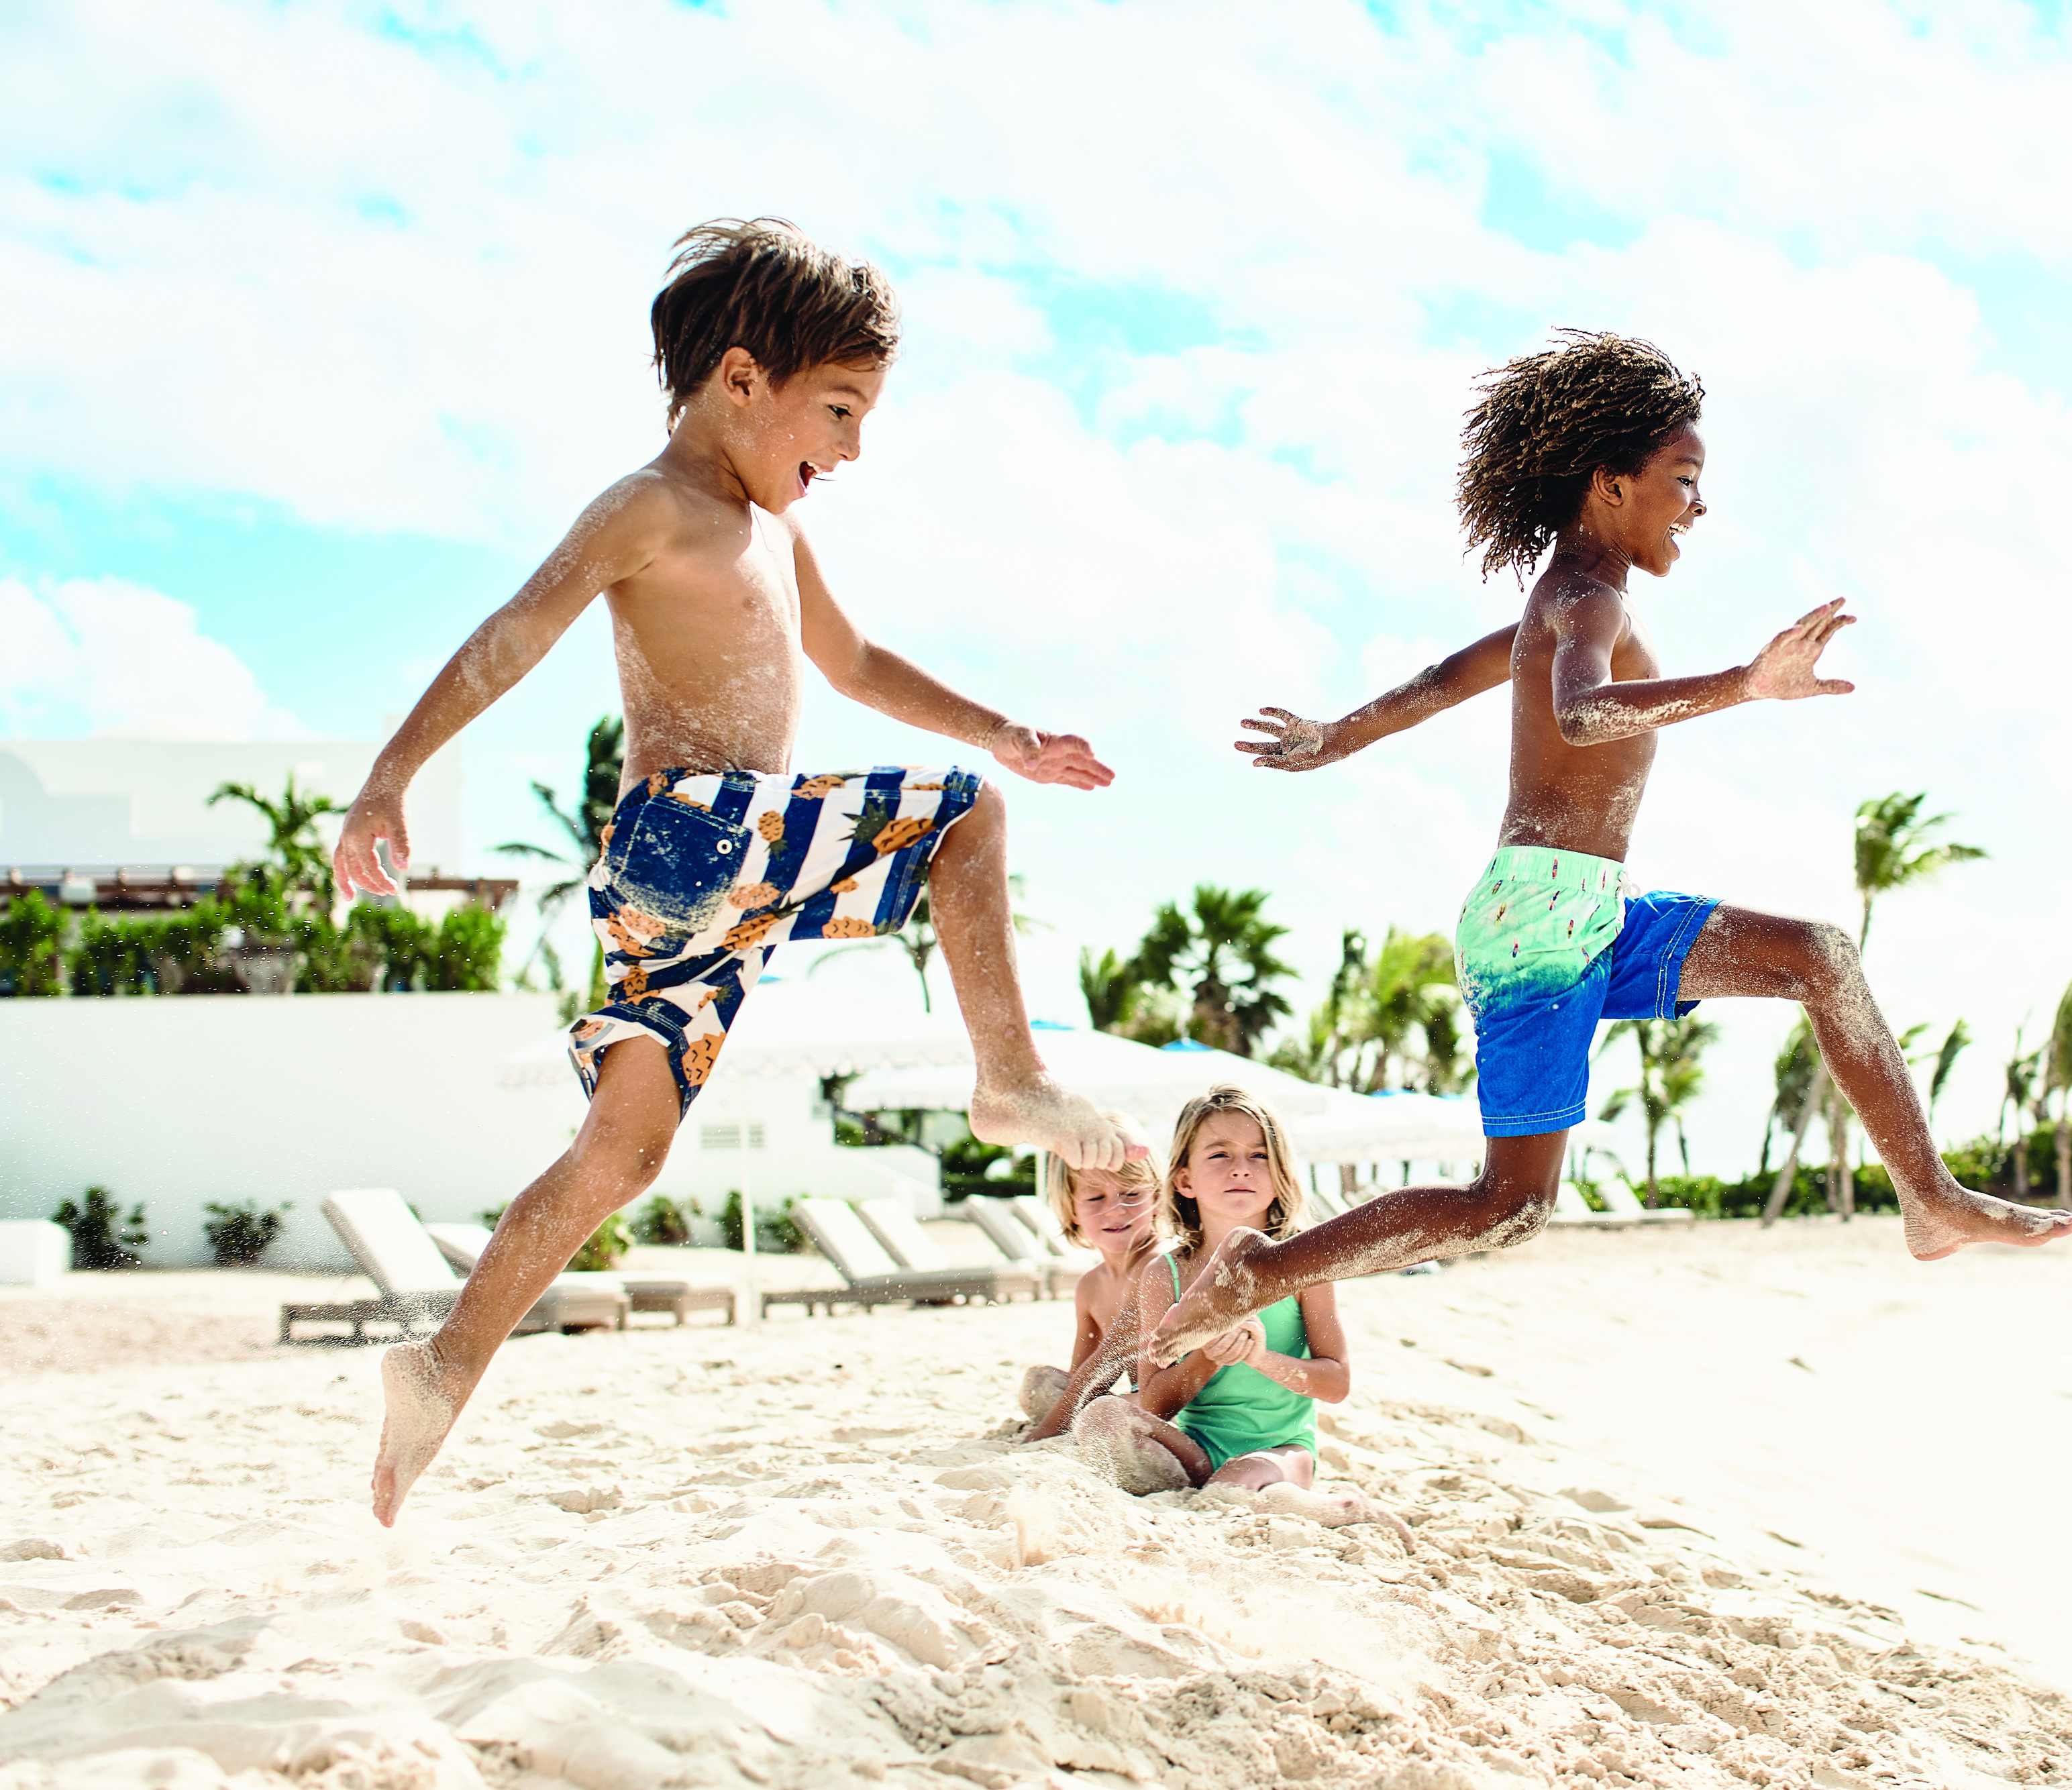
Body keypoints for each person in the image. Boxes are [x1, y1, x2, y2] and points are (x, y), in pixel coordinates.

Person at [332, 217, 1134, 1526]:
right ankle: (1008, 1078)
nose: (855, 448)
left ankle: (442, 1363)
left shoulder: (771, 529)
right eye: (839, 408)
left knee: (619, 1155)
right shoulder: (654, 506)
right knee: (959, 821)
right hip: (692, 832)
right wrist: (391, 773)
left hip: (701, 881)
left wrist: (1005, 730)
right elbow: (513, 630)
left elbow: (858, 665)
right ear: (743, 379)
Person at [1150, 330, 2072, 1365]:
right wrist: (1744, 684)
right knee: (1508, 1208)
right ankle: (1260, 1271)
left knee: (1822, 957)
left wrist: (1337, 736)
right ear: (1609, 483)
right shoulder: (1585, 600)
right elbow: (1585, 715)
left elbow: (1443, 681)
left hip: (1585, 910)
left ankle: (1930, 1197)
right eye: (1683, 480)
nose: (1699, 506)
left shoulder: (1563, 599)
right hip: (1541, 923)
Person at [1070, 1088, 1404, 1538]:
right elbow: (1154, 1402)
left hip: (1280, 1450)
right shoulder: (1163, 1274)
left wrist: (1259, 1357)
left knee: (1233, 1486)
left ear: (1280, 1175)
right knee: (1102, 1417)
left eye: (1259, 1155)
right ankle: (1224, 1494)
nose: (1241, 1167)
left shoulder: (1304, 1267)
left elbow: (1336, 1383)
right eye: (1220, 1154)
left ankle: (1340, 1507)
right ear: (1185, 1180)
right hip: (1198, 1449)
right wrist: (1207, 1356)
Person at [1019, 1111, 1161, 1439]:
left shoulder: (1161, 1266)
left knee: (1100, 1411)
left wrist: (1049, 1430)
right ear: (1071, 1208)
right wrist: (1068, 1412)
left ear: (1157, 1197)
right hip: (1137, 1399)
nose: (1115, 1209)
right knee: (1041, 1383)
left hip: (1179, 1402)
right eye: (1096, 1197)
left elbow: (1107, 1362)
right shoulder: (1091, 1287)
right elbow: (1082, 1377)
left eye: (1132, 1194)